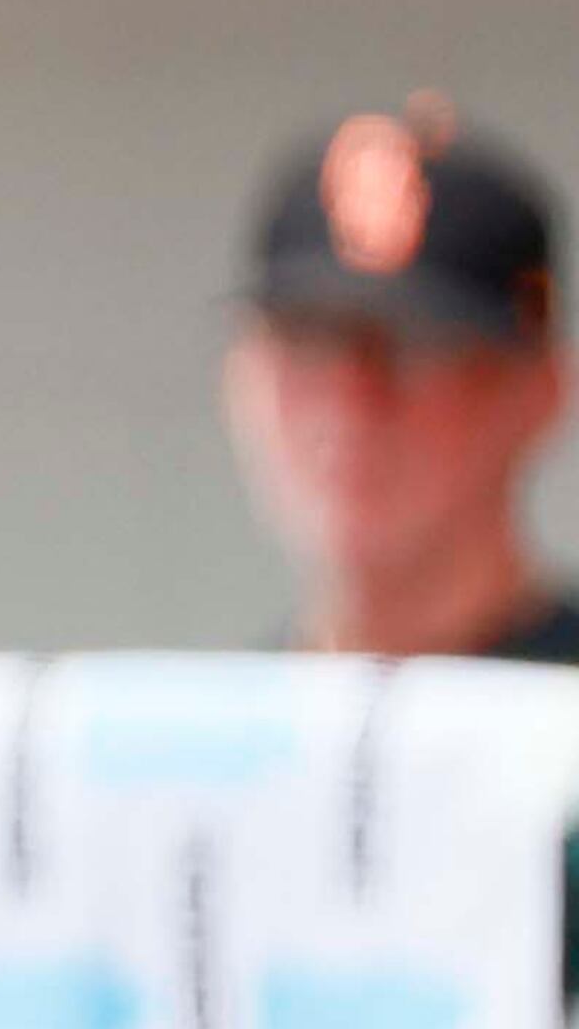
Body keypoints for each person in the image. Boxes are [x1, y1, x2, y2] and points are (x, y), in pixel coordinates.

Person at [222, 97, 571, 663]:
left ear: (542, 389)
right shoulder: (220, 730)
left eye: (414, 343)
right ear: (242, 374)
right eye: (306, 338)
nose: (349, 397)